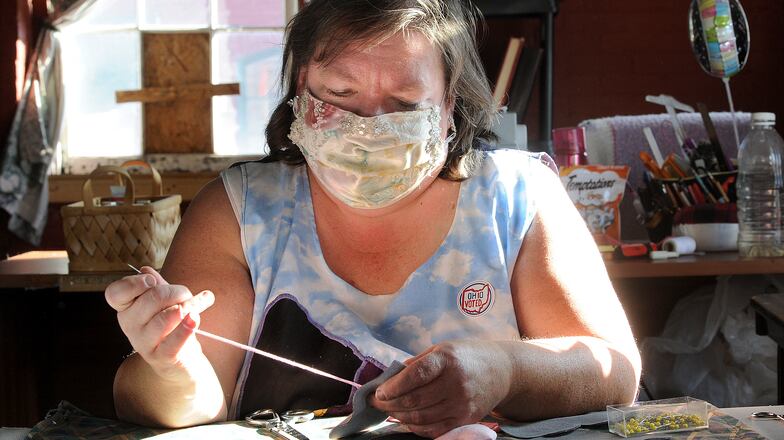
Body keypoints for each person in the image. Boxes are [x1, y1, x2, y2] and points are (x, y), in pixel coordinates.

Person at [105, 0, 641, 437]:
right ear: (299, 90)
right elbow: (182, 402)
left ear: (450, 102)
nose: (368, 126)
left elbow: (612, 371)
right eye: (339, 94)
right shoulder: (239, 211)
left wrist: (499, 372)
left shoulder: (517, 197)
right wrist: (171, 365)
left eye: (405, 102)